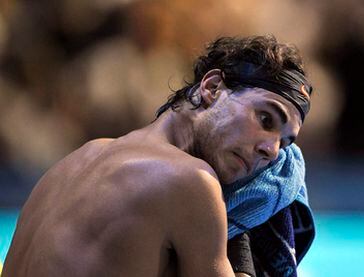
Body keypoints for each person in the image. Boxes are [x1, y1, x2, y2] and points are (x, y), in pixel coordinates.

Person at [2, 35, 312, 277]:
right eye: (266, 119)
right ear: (212, 87)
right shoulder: (192, 182)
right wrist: (242, 232)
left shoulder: (70, 163)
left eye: (284, 144)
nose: (271, 151)